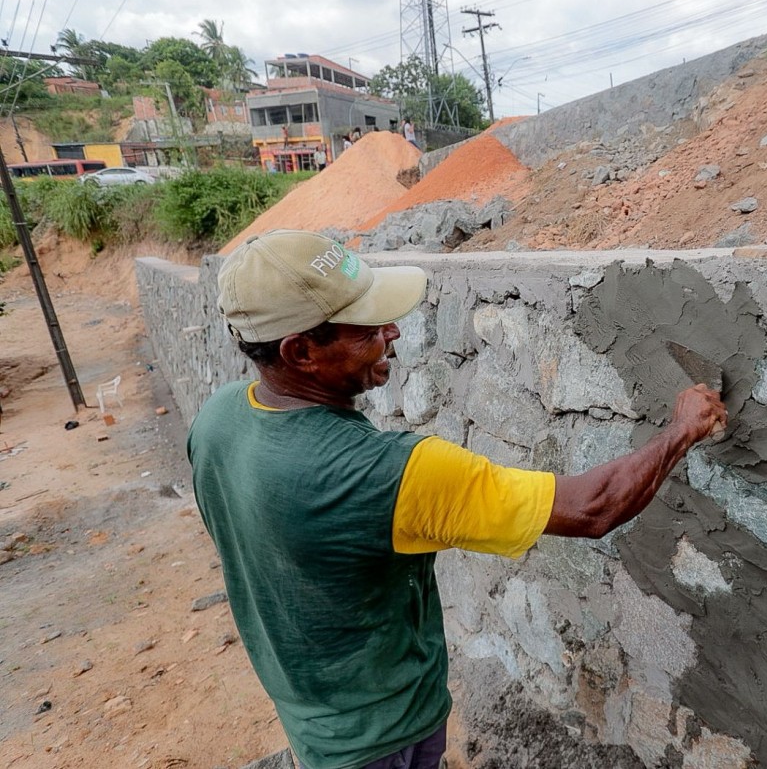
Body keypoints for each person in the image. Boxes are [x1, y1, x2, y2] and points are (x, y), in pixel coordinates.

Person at [187, 229, 726, 769]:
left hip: (309, 711)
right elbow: (594, 507)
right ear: (300, 350)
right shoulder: (387, 474)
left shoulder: (220, 418)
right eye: (368, 328)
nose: (392, 332)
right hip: (385, 738)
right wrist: (682, 429)